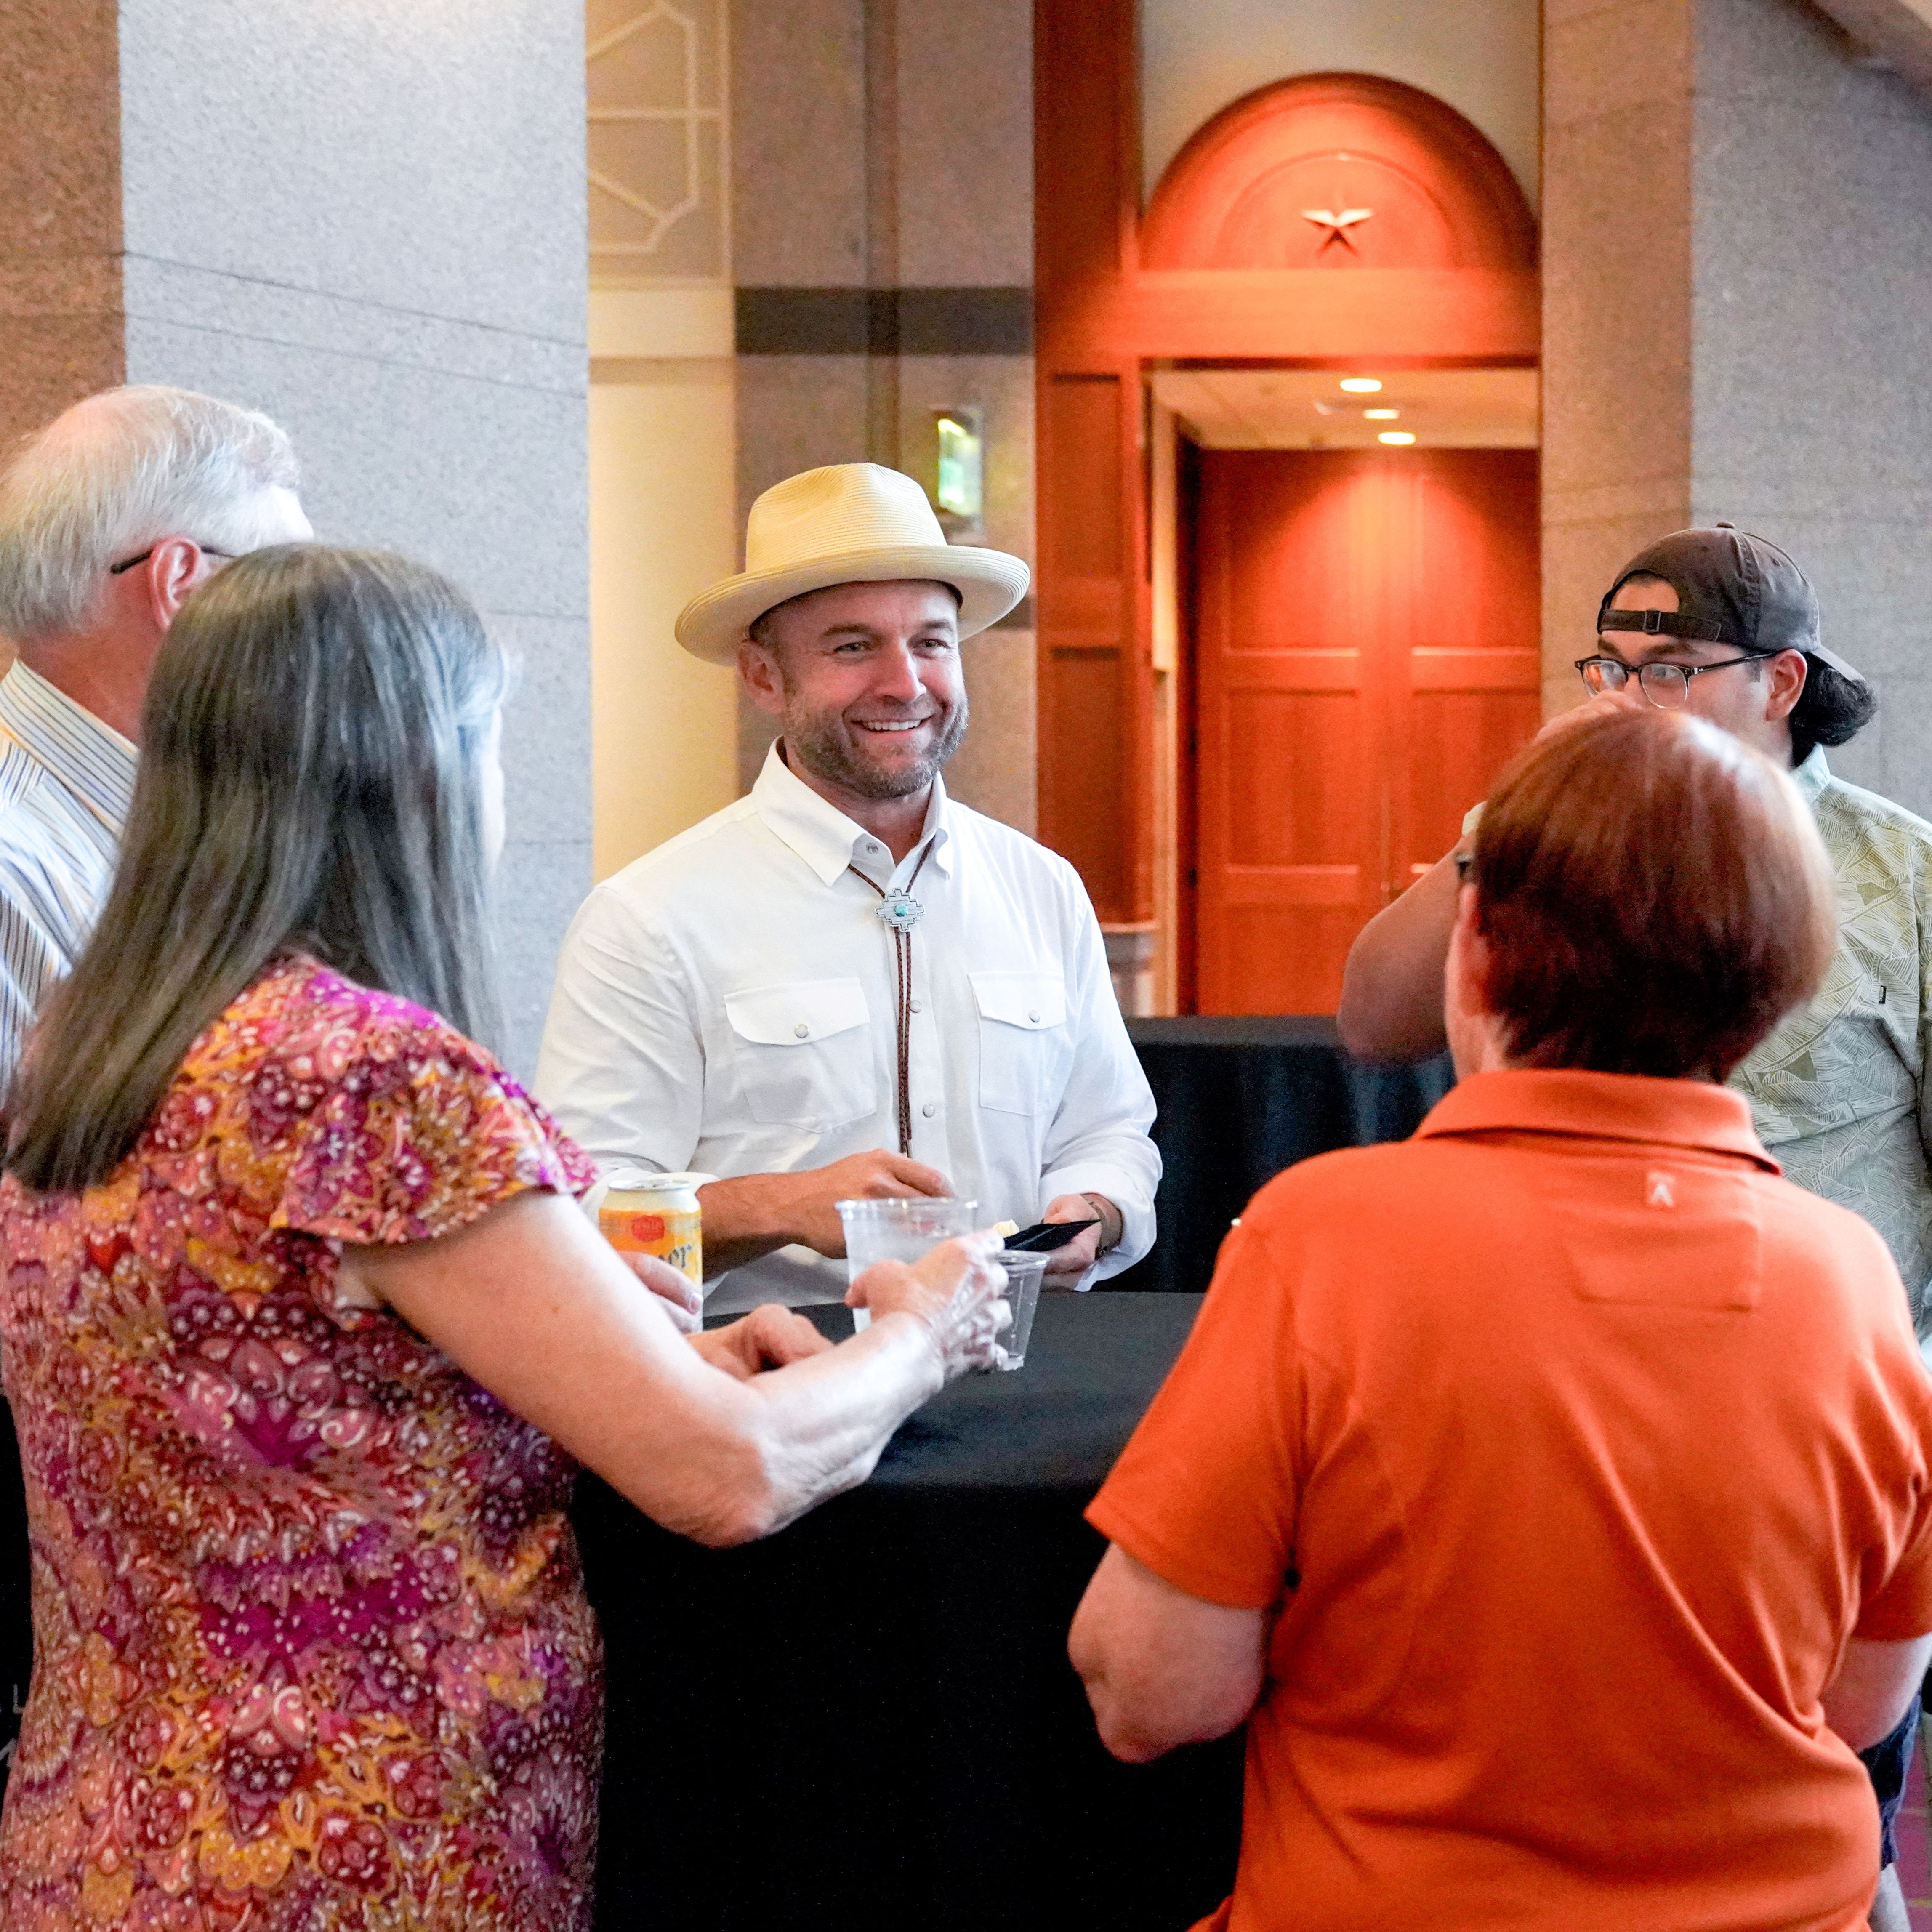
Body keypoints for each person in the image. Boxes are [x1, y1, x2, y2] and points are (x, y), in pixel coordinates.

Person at [0, 546, 1007, 1931]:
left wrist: (626, 1355)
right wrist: (920, 1334)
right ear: (407, 772)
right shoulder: (365, 1074)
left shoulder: (89, 1038)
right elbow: (727, 1480)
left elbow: (264, 1388)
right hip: (358, 1845)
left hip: (107, 1830)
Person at [1070, 707, 1932, 1932]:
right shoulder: (1849, 1277)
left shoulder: (1320, 1235)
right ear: (1775, 981)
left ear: (1470, 945)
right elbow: (1858, 1706)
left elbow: (1152, 1691)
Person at [1335, 525, 1930, 1929]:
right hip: (1556, 1401)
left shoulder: (1902, 881)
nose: (1626, 697)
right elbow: (1371, 1020)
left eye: (1670, 668)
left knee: (1824, 1778)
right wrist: (1506, 821)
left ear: (1779, 684)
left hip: (1823, 1419)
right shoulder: (1559, 839)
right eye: (1610, 664)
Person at [536, 462, 1160, 1314]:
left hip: (1018, 1372)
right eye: (854, 646)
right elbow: (581, 1212)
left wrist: (1096, 1207)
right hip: (769, 1394)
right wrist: (783, 1207)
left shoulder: (1042, 887)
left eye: (932, 642)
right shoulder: (649, 918)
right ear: (762, 677)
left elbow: (1109, 1129)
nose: (906, 683)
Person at [0, 383, 312, 1083]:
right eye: (292, 591)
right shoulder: (11, 861)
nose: (316, 639)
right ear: (180, 582)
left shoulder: (196, 817)